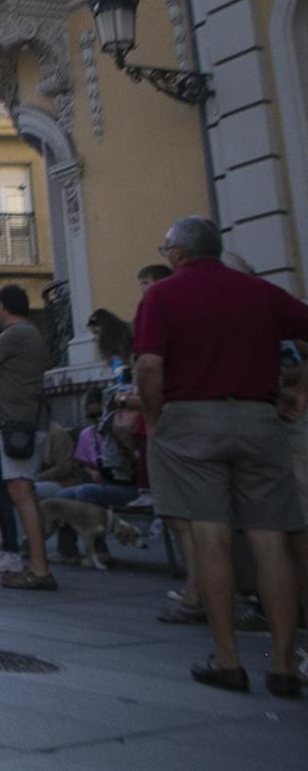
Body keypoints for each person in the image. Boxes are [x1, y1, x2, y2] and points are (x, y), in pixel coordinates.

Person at [135, 215, 308, 696]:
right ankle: (284, 664)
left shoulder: (162, 296)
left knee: (210, 538)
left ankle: (228, 660)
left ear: (179, 253)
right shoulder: (260, 292)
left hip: (189, 419)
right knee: (271, 539)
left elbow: (149, 364)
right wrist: (302, 392)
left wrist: (156, 416)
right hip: (258, 417)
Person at [0, 285, 55, 589]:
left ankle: (39, 568)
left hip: (19, 425)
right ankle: (36, 563)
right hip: (20, 422)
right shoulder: (26, 335)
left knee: (21, 492)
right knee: (22, 492)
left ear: (2, 306)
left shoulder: (17, 333)